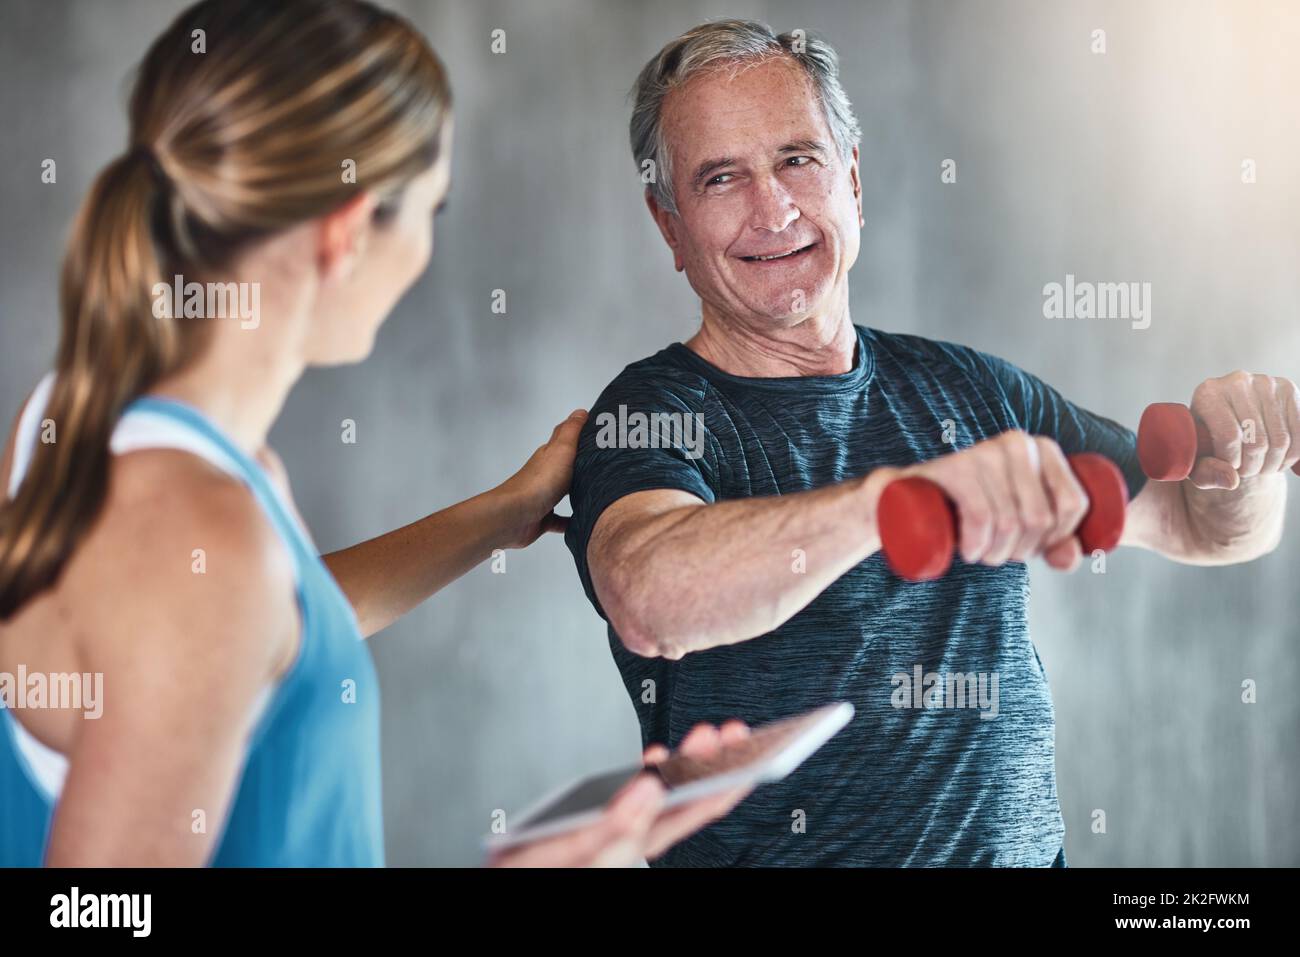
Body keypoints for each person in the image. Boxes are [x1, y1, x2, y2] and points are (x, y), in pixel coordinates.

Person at [0, 0, 751, 868]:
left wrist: (503, 513)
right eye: (430, 213)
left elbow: (275, 632)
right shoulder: (203, 539)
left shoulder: (86, 426)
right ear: (349, 233)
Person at [563, 19, 1298, 866]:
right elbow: (650, 594)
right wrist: (899, 500)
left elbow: (1207, 527)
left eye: (798, 159)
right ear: (670, 226)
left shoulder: (970, 390)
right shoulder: (654, 409)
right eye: (722, 177)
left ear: (854, 182)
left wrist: (1242, 461)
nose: (774, 208)